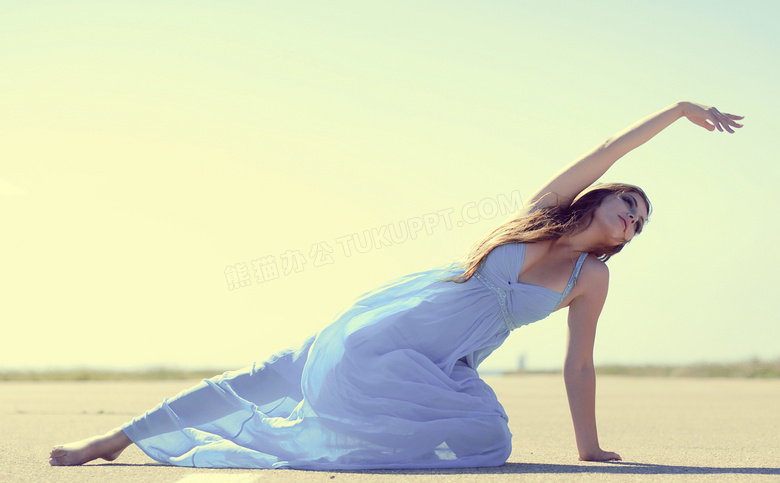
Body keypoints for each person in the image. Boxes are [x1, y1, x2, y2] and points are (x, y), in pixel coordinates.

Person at [49, 101, 743, 469]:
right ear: (600, 199)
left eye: (641, 225)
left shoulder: (590, 281)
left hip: (443, 361)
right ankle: (114, 438)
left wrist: (587, 446)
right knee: (270, 376)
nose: (633, 221)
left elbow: (580, 363)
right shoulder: (537, 216)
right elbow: (606, 151)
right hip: (400, 321)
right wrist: (679, 110)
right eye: (630, 205)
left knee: (483, 437)